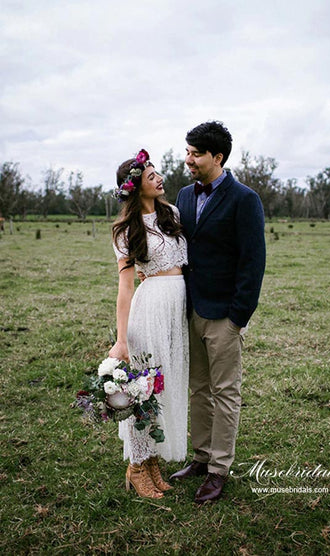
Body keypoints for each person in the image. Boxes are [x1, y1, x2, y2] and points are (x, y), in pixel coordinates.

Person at [170, 121, 266, 504]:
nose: (188, 159)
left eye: (195, 154)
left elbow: (252, 262)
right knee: (199, 389)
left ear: (218, 157)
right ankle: (200, 457)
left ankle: (218, 470)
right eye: (188, 152)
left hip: (225, 314)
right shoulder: (183, 195)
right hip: (191, 310)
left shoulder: (245, 199)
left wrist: (238, 316)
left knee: (226, 392)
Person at [109, 148, 189, 499]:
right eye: (150, 175)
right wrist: (122, 339)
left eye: (157, 172)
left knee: (166, 384)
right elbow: (126, 287)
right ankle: (137, 465)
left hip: (178, 309)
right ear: (135, 187)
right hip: (150, 308)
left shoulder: (172, 213)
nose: (158, 178)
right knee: (146, 389)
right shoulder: (126, 230)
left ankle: (153, 460)